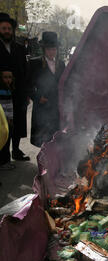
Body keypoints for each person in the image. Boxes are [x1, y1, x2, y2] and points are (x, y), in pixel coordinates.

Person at [0, 12, 29, 161]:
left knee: (17, 123)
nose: (7, 31)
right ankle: (3, 155)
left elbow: (24, 71)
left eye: (9, 29)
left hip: (18, 93)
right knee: (3, 126)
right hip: (1, 94)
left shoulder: (19, 48)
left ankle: (16, 151)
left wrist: (26, 93)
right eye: (4, 28)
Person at [28, 32, 66, 147]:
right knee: (43, 137)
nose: (51, 52)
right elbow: (28, 85)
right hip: (42, 106)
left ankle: (54, 161)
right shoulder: (35, 63)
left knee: (55, 136)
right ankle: (44, 161)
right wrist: (38, 98)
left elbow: (65, 84)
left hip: (56, 106)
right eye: (49, 49)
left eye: (54, 49)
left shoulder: (61, 64)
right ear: (44, 49)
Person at [0, 66, 15, 170]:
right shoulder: (2, 91)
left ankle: (6, 161)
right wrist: (8, 119)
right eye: (5, 77)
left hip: (8, 121)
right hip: (3, 122)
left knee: (7, 142)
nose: (8, 79)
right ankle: (4, 163)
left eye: (10, 77)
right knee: (4, 142)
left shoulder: (8, 89)